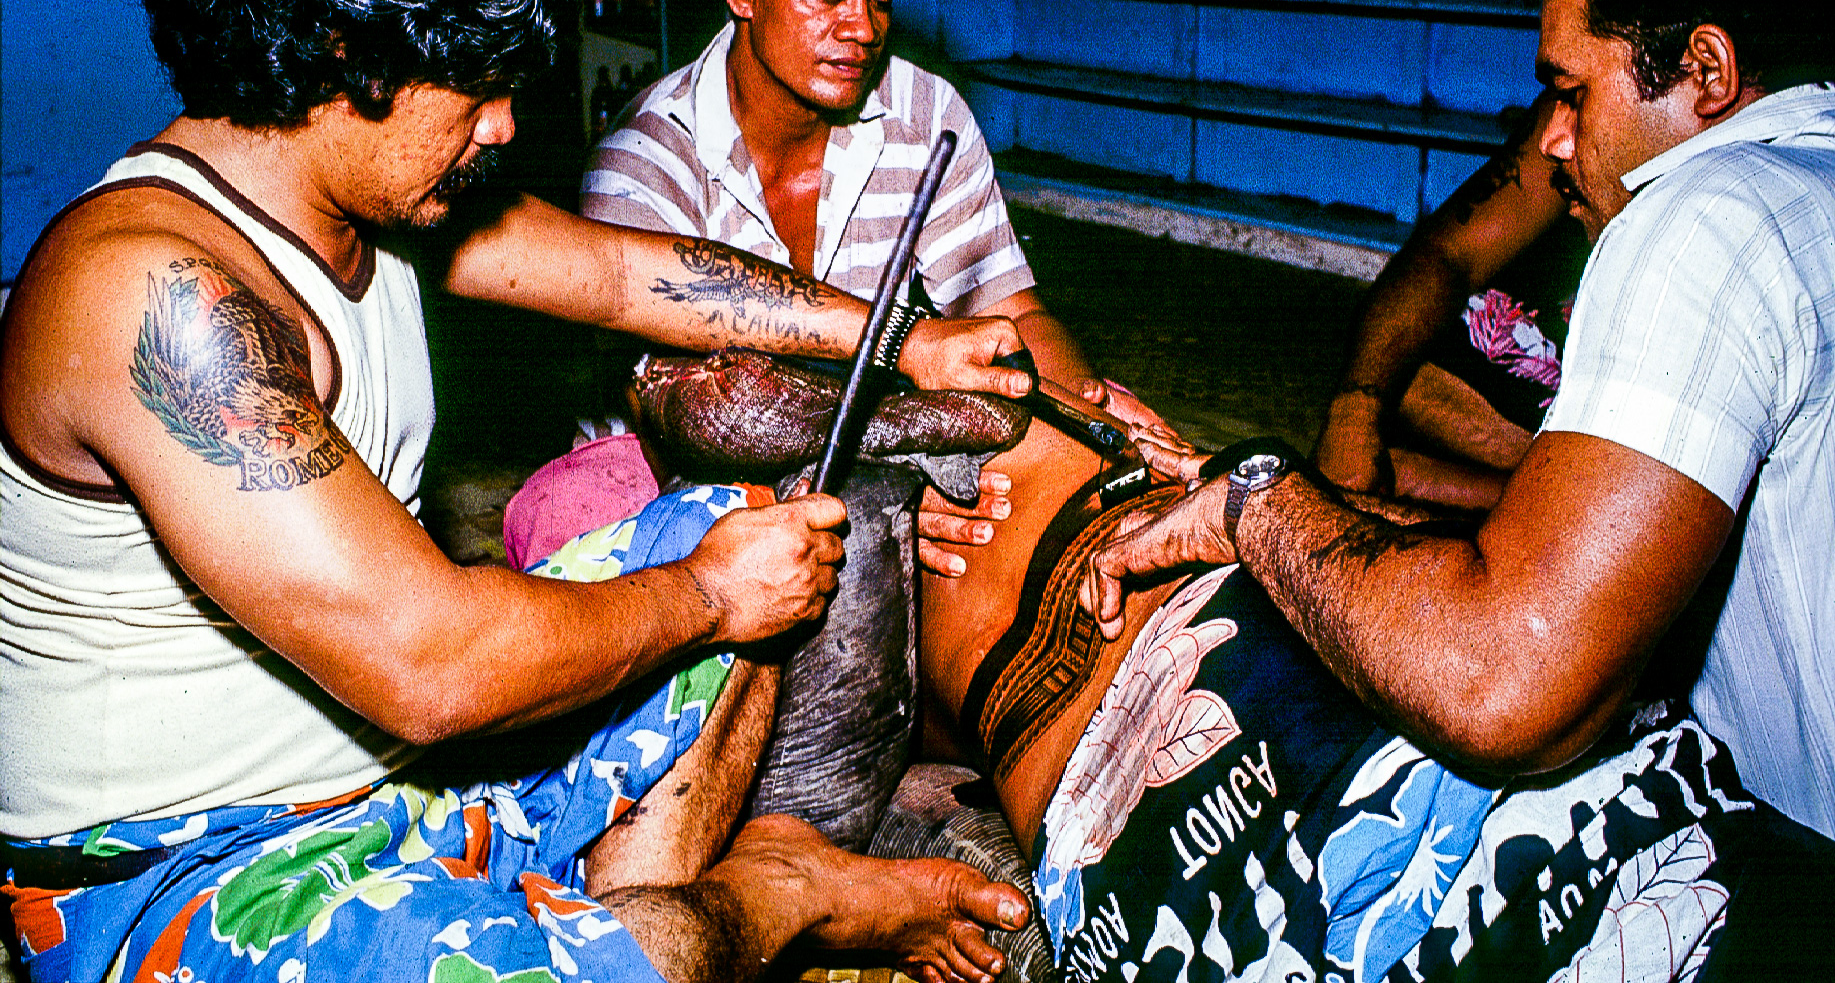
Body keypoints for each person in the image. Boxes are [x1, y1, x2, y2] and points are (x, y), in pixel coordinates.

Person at [0, 0, 1036, 981]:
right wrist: (699, 594)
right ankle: (777, 894)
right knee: (721, 590)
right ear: (346, 46)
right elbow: (430, 665)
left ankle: (628, 905)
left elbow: (628, 275)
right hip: (185, 862)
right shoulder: (153, 292)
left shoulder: (367, 194)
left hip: (389, 780)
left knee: (751, 521)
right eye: (477, 83)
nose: (503, 125)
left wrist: (902, 342)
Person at [625, 348, 1830, 981]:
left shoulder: (1100, 442)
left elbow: (1468, 596)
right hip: (1167, 840)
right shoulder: (870, 496)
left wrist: (1268, 501)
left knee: (1705, 895)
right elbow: (681, 396)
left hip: (1422, 734)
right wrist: (914, 410)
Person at [1086, 0, 1835, 842]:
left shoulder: (1703, 216)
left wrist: (1258, 507)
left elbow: (1498, 684)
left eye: (1570, 92)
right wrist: (1310, 504)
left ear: (1703, 68)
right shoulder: (1806, 184)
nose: (1552, 138)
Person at [579, 0, 1173, 578]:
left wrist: (1093, 422)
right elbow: (688, 422)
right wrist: (884, 496)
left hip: (866, 426)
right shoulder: (644, 159)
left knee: (1080, 461)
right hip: (666, 461)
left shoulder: (924, 113)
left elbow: (1012, 312)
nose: (861, 28)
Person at [1312, 92, 1589, 511]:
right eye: (1560, 92)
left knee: (1597, 473)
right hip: (1546, 331)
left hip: (1596, 427)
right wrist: (1354, 416)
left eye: (1574, 90)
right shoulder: (1571, 120)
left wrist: (1415, 478)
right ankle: (1407, 475)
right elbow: (1448, 253)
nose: (1552, 136)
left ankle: (1446, 486)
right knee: (1388, 349)